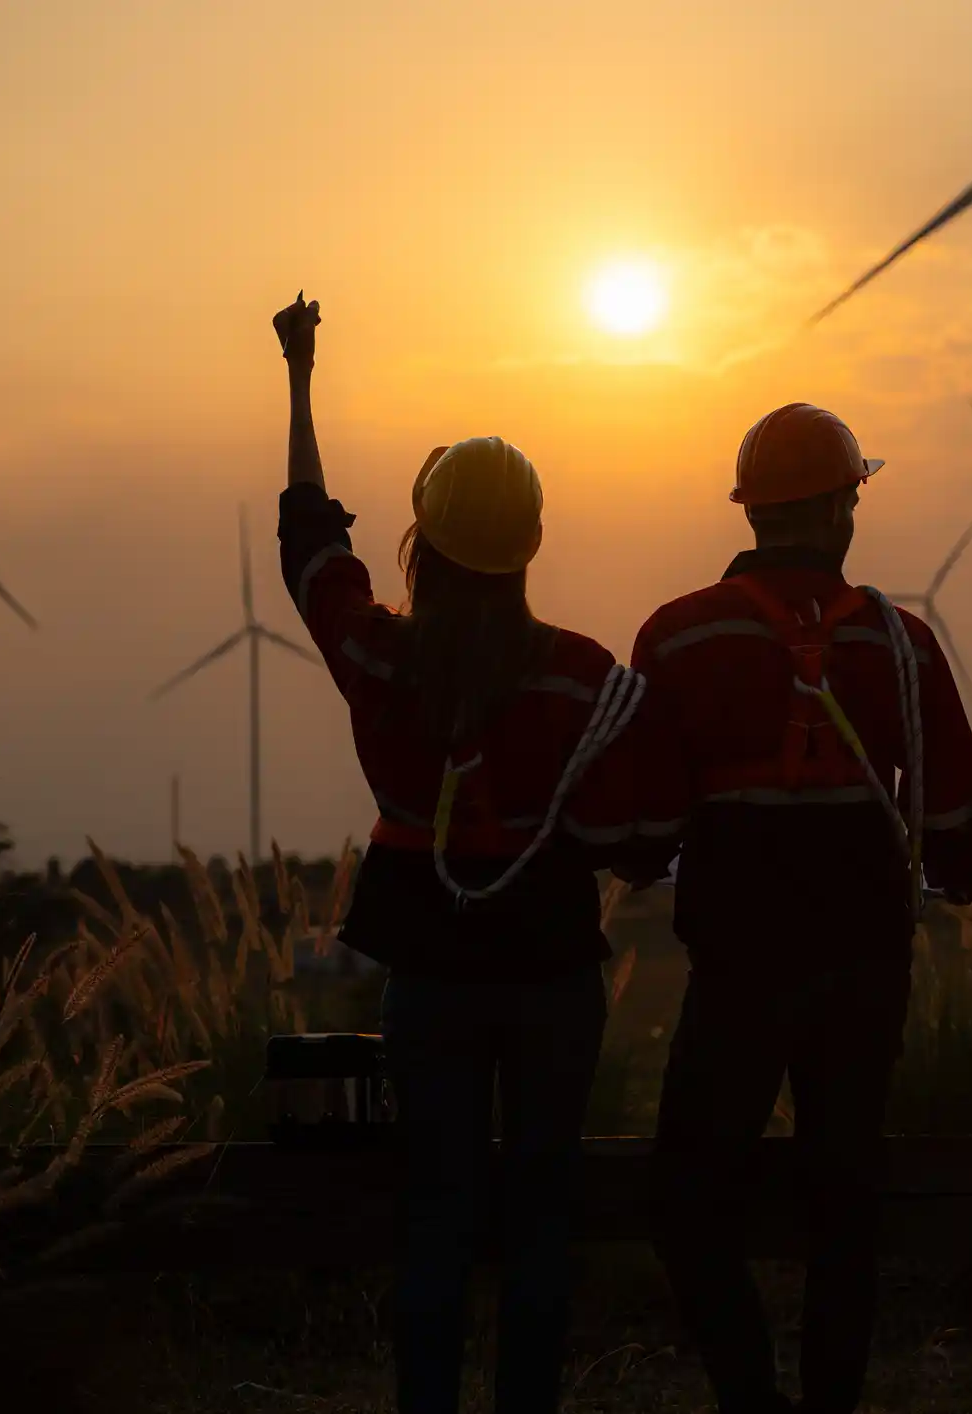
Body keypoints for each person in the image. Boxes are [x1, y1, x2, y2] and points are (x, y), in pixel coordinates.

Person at [272, 292, 646, 1414]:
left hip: (429, 978)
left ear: (424, 542)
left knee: (432, 1223)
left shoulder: (377, 657)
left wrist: (299, 374)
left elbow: (309, 535)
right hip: (552, 978)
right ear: (530, 544)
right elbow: (641, 828)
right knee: (540, 1223)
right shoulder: (589, 677)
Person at [624, 403, 972, 1414]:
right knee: (846, 1209)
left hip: (736, 971)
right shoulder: (902, 643)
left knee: (688, 1204)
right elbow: (958, 822)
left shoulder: (677, 636)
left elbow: (645, 831)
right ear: (842, 505)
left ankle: (752, 1399)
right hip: (864, 973)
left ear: (751, 508)